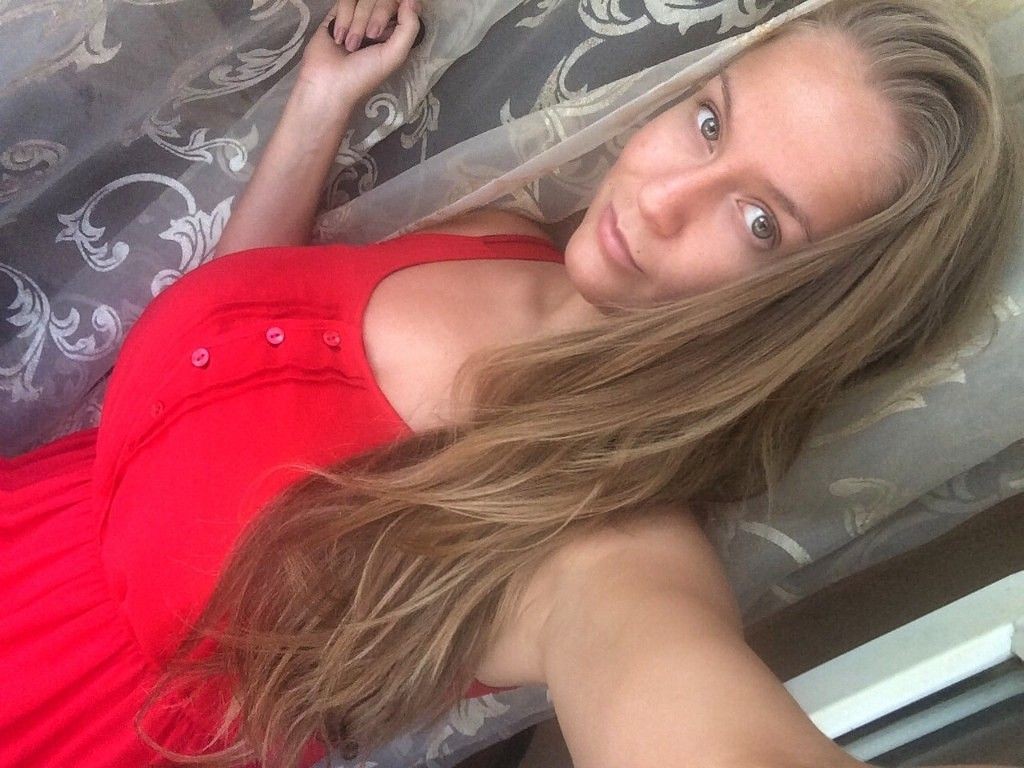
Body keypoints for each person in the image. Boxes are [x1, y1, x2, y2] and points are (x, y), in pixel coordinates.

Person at [1, 0, 1020, 767]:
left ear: (808, 314)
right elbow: (230, 338)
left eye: (760, 223)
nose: (661, 197)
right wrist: (321, 99)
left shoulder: (599, 541)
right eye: (710, 123)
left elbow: (669, 686)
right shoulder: (503, 239)